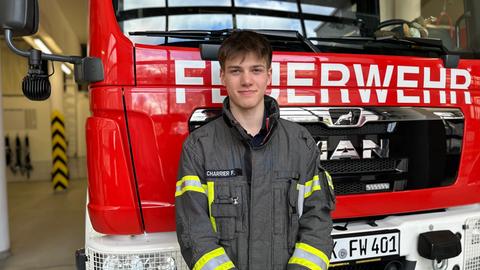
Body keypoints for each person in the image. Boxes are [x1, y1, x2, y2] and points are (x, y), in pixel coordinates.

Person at [175, 30, 335, 270]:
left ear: (268, 75)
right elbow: (194, 234)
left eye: (256, 70)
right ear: (223, 76)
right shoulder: (199, 148)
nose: (246, 80)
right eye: (236, 71)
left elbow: (317, 223)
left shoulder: (301, 143)